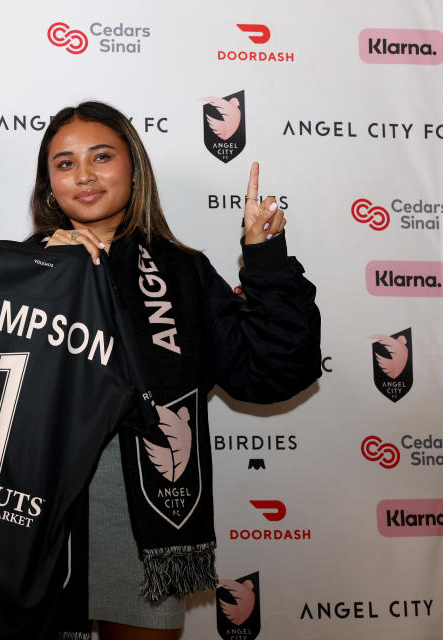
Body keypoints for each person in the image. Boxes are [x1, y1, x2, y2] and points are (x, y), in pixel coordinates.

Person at [28, 102, 321, 639]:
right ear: (49, 184)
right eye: (64, 163)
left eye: (101, 156)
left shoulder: (183, 271)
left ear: (134, 169)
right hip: (33, 514)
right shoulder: (17, 267)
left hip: (144, 512)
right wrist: (44, 271)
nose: (85, 175)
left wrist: (267, 260)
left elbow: (271, 372)